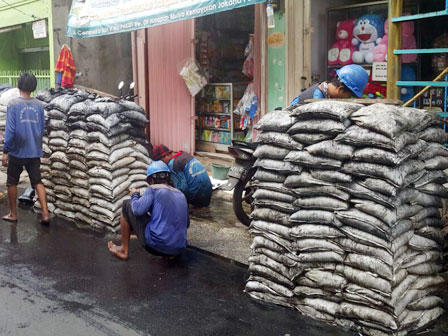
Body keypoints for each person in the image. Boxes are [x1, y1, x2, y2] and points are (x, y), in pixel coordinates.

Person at [108, 160, 189, 260]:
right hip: (179, 248)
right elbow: (187, 223)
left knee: (126, 205)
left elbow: (137, 210)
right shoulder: (181, 194)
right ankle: (170, 254)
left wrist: (135, 195)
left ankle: (124, 250)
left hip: (156, 246)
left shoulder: (152, 189)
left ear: (151, 180)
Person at [2, 72, 49, 225]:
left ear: (18, 85)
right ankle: (45, 214)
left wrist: (5, 151)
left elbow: (10, 131)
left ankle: (13, 214)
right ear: (34, 87)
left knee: (11, 182)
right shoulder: (39, 105)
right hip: (34, 150)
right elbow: (41, 128)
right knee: (37, 182)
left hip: (17, 150)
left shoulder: (13, 104)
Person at [289, 64, 369, 106]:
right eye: (348, 96)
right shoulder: (317, 96)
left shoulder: (325, 89)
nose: (347, 98)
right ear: (340, 89)